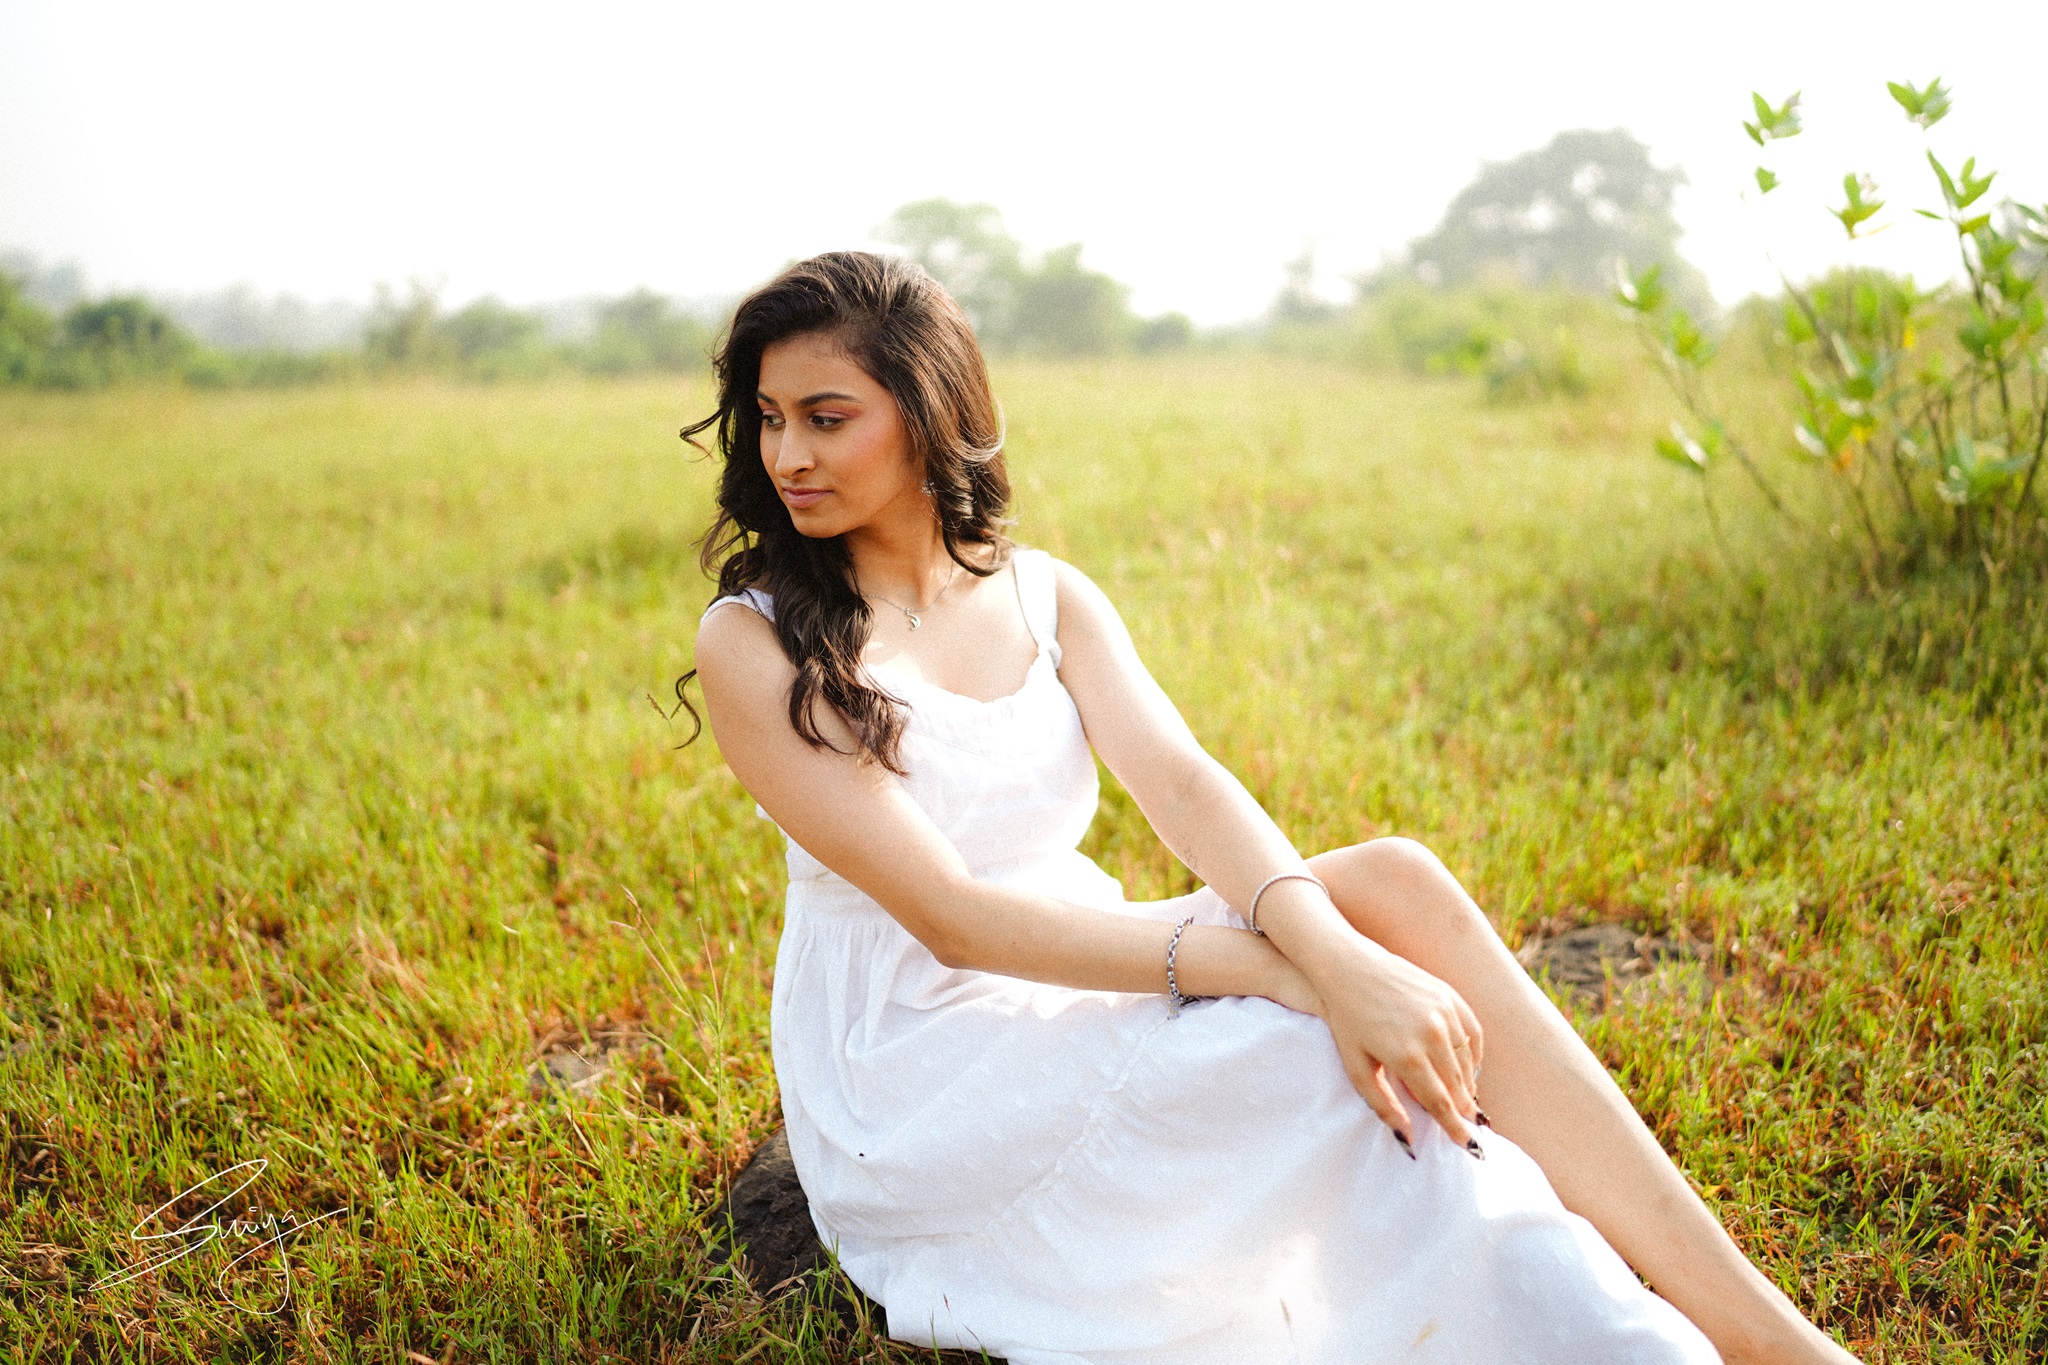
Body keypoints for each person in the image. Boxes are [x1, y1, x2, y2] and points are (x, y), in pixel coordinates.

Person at [685, 251, 1857, 1365]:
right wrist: (1299, 974)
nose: (789, 452)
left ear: (926, 410)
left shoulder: (1043, 595)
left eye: (826, 416)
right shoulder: (754, 642)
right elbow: (953, 919)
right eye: (771, 417)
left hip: (1085, 969)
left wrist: (1330, 948)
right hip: (919, 1058)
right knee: (1311, 1046)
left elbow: (1187, 787)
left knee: (1392, 881)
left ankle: (1758, 1328)